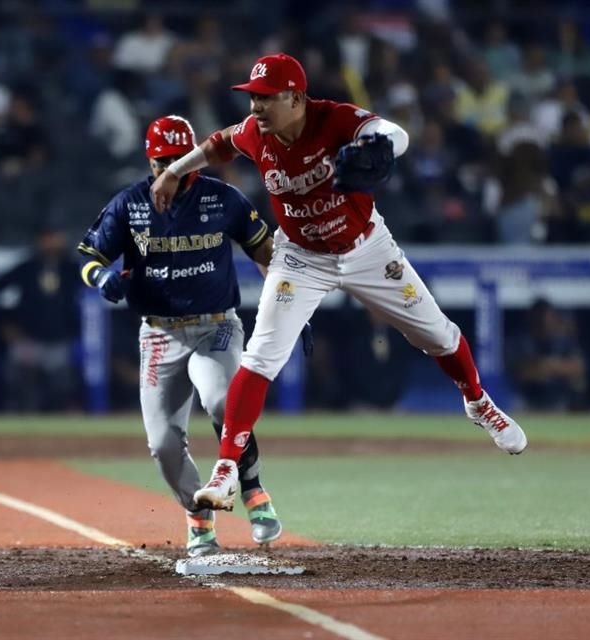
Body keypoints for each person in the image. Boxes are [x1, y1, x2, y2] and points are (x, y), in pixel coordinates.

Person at [150, 53, 528, 511]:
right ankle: (227, 467)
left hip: (367, 250)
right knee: (261, 355)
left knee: (438, 334)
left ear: (295, 97)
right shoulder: (256, 134)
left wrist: (380, 147)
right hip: (300, 258)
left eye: (265, 99)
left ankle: (476, 400)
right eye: (252, 98)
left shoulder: (334, 119)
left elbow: (394, 133)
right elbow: (217, 145)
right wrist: (175, 169)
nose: (255, 108)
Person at [77, 115, 290, 557]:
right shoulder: (131, 203)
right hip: (158, 334)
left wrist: (287, 306)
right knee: (162, 445)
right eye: (163, 162)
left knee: (220, 399)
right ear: (149, 160)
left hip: (216, 324)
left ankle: (252, 488)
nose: (172, 169)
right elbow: (90, 254)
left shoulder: (222, 198)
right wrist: (101, 279)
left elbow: (266, 252)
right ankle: (198, 518)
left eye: (182, 161)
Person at [0, 219, 81, 412]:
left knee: (61, 387)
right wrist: (5, 324)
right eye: (46, 238)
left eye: (55, 237)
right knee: (20, 386)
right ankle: (17, 424)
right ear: (38, 241)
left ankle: (58, 425)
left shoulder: (71, 268)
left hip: (60, 337)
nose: (51, 242)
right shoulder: (27, 267)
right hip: (27, 337)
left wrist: (76, 327)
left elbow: (92, 293)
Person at [509, 298, 589, 412]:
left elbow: (578, 368)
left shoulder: (563, 341)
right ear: (531, 318)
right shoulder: (522, 341)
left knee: (579, 388)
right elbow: (521, 373)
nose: (543, 321)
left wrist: (548, 366)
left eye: (547, 316)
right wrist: (554, 367)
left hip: (559, 398)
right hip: (528, 399)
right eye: (539, 317)